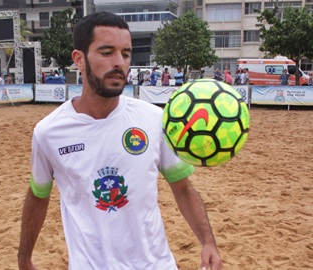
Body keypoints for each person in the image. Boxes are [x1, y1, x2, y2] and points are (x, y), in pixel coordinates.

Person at [18, 11, 222, 270]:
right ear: (79, 59)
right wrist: (24, 258)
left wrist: (207, 241)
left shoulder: (153, 119)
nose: (119, 63)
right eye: (106, 52)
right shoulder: (48, 132)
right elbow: (38, 197)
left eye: (125, 54)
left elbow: (182, 188)